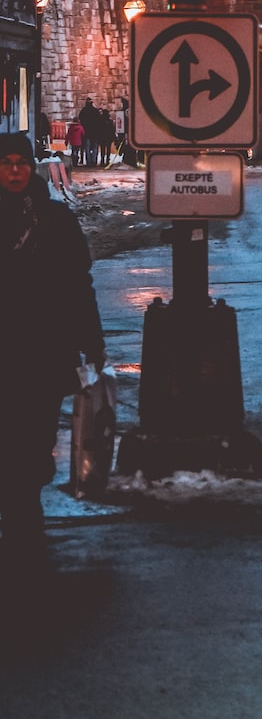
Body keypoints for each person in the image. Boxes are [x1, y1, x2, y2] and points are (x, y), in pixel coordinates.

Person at [0, 133, 105, 567]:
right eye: (5, 163)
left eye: (20, 163)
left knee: (36, 439)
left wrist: (92, 341)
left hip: (44, 352)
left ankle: (24, 508)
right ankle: (20, 514)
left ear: (32, 167)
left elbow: (78, 283)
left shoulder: (55, 219)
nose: (13, 171)